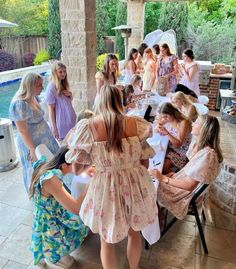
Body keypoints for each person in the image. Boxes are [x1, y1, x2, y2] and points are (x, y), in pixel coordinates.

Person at [65, 85, 158, 269]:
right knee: (134, 233)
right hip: (134, 185)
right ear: (119, 101)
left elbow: (75, 169)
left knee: (106, 240)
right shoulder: (135, 123)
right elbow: (145, 163)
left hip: (105, 188)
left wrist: (98, 164)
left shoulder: (89, 126)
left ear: (100, 100)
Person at [151, 115, 223, 220]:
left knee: (150, 186)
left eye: (196, 123)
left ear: (204, 129)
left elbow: (189, 186)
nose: (192, 124)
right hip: (184, 182)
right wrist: (175, 175)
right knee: (152, 179)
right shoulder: (201, 145)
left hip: (185, 194)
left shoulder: (208, 155)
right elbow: (192, 169)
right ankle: (157, 215)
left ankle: (156, 218)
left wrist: (163, 178)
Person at [29, 146, 89, 268]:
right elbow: (76, 209)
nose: (79, 166)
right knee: (82, 224)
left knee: (83, 225)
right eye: (76, 164)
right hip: (50, 223)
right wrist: (89, 186)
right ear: (64, 166)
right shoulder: (51, 180)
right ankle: (56, 257)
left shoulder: (45, 166)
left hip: (44, 214)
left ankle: (51, 254)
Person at [9, 73, 59, 192]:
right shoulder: (20, 104)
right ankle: (39, 197)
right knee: (35, 169)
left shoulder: (34, 97)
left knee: (51, 165)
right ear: (30, 86)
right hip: (32, 143)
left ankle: (54, 192)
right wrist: (31, 149)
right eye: (39, 85)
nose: (42, 88)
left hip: (45, 140)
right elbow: (22, 130)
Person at [156, 102, 192, 174]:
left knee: (163, 166)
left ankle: (176, 180)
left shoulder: (183, 123)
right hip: (170, 149)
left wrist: (166, 133)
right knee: (156, 157)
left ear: (172, 113)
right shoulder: (167, 120)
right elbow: (158, 125)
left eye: (166, 116)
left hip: (181, 153)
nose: (164, 119)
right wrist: (159, 125)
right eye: (162, 117)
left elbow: (179, 144)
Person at [45, 61, 76, 141]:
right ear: (55, 73)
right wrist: (54, 128)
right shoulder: (51, 88)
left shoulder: (63, 84)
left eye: (64, 71)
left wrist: (70, 95)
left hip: (70, 123)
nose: (63, 74)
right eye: (60, 72)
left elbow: (66, 103)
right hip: (61, 125)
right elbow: (50, 110)